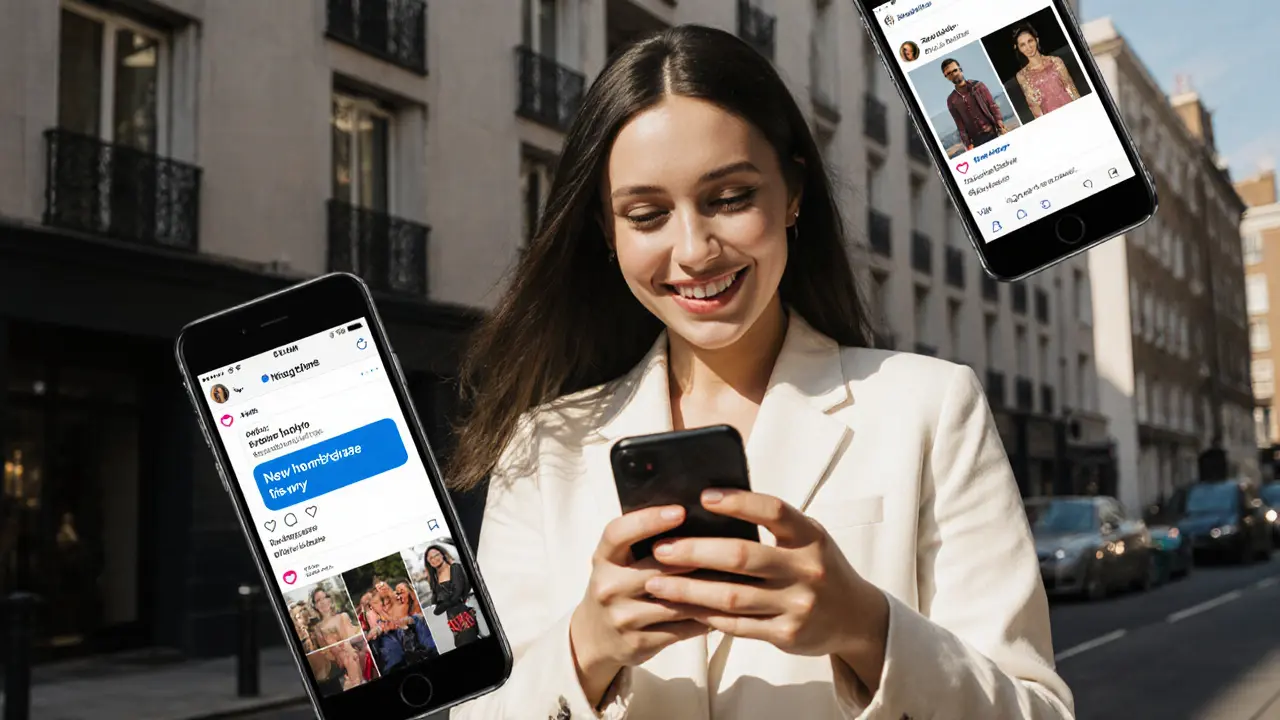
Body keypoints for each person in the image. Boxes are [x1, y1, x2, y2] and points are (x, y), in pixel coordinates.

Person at [446, 24, 1073, 720]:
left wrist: (867, 628)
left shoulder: (929, 408)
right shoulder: (544, 446)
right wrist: (587, 649)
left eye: (730, 198)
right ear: (607, 229)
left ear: (793, 192)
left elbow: (1037, 710)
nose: (693, 250)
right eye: (647, 214)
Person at [1013, 23, 1081, 118]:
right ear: (1019, 49)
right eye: (1023, 45)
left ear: (1036, 40)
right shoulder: (1022, 75)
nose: (1028, 47)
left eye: (1030, 41)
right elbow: (1033, 105)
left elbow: (1071, 88)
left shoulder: (1055, 61)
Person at [942, 57, 1007, 151]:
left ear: (960, 69)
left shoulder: (978, 86)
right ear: (946, 77)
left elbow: (992, 105)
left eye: (955, 70)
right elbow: (959, 124)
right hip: (977, 142)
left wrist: (1000, 124)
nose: (953, 74)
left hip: (993, 132)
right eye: (949, 73)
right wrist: (967, 144)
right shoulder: (951, 100)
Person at [425, 544, 482, 647]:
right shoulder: (434, 579)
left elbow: (456, 595)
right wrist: (442, 606)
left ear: (442, 554)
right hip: (453, 621)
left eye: (436, 555)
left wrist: (442, 606)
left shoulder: (454, 568)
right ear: (428, 562)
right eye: (430, 558)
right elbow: (436, 605)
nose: (434, 559)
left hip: (464, 616)